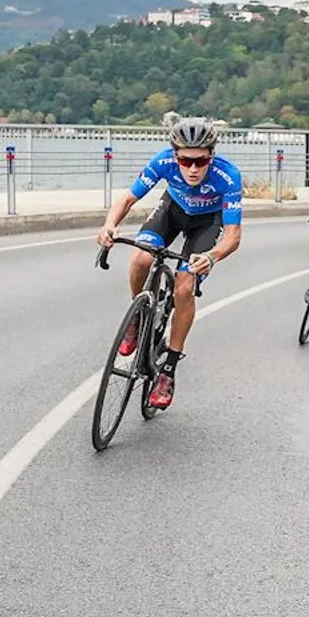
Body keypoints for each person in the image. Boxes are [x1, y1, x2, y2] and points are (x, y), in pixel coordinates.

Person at [97, 115, 242, 411]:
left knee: (184, 287)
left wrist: (212, 257)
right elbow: (127, 199)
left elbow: (233, 235)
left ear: (211, 156)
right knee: (141, 257)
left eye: (200, 162)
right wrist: (109, 225)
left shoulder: (228, 177)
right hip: (173, 210)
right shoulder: (162, 162)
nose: (192, 168)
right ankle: (137, 316)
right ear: (174, 155)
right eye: (185, 160)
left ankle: (168, 371)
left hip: (207, 222)